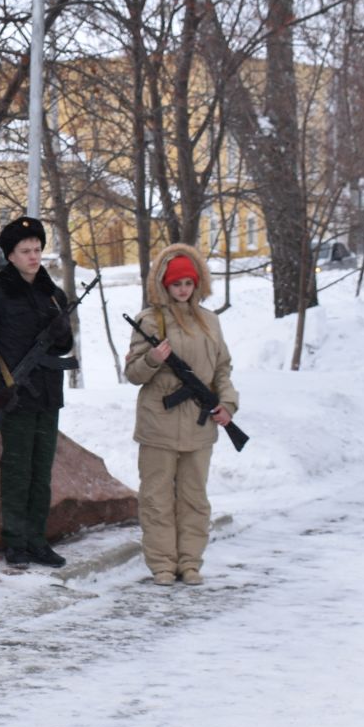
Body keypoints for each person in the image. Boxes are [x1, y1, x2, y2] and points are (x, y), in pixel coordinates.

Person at [0, 216, 76, 568]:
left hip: (48, 395)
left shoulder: (53, 295)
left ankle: (37, 540)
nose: (34, 256)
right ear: (10, 255)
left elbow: (64, 346)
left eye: (37, 249)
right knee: (17, 471)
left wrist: (61, 333)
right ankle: (16, 542)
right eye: (25, 251)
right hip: (15, 397)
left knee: (41, 472)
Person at [122, 244, 237, 586]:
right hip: (158, 424)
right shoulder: (149, 321)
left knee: (194, 499)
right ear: (164, 286)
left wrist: (227, 404)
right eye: (176, 284)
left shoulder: (210, 322)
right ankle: (161, 564)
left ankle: (190, 562)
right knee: (156, 499)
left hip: (199, 426)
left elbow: (222, 369)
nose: (183, 290)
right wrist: (154, 359)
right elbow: (133, 374)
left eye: (188, 283)